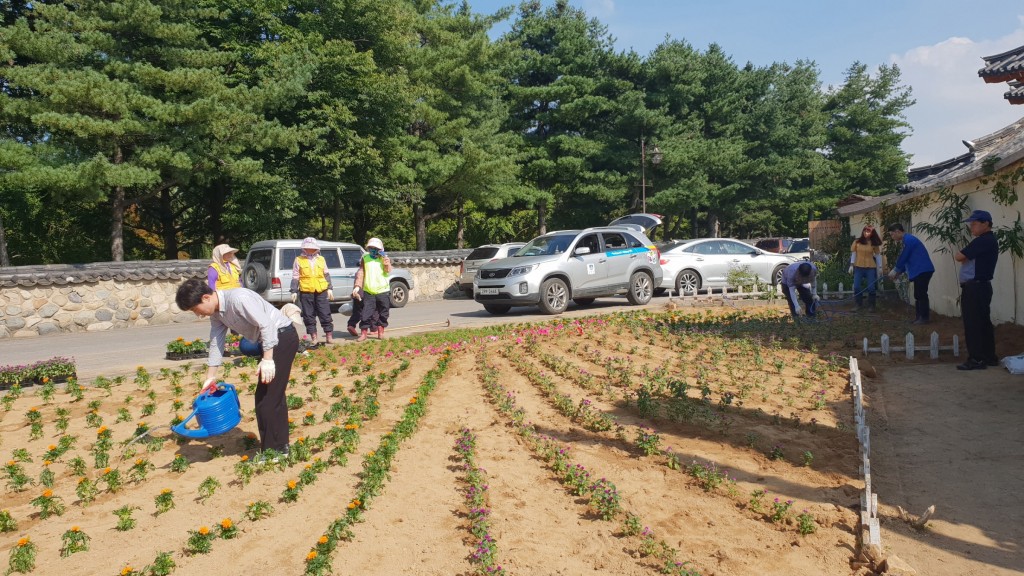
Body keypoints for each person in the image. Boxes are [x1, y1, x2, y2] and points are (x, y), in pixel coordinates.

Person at [175, 279, 298, 455]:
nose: (198, 314)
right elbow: (217, 343)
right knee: (271, 396)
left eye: (196, 309)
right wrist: (210, 377)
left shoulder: (239, 299)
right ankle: (280, 447)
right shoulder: (217, 313)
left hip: (282, 337)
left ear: (206, 297)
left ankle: (274, 451)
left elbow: (267, 324)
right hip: (270, 342)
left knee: (267, 400)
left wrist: (268, 359)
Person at [953, 210, 999, 370]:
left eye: (974, 224)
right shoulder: (989, 240)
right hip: (982, 286)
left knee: (973, 323)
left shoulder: (982, 241)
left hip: (975, 287)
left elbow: (959, 256)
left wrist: (964, 255)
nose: (971, 227)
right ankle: (988, 356)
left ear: (985, 224)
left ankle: (977, 359)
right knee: (983, 322)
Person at [887, 223, 936, 324]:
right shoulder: (908, 240)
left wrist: (896, 269)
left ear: (897, 231)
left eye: (892, 234)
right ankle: (919, 318)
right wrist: (898, 272)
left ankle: (924, 317)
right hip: (921, 270)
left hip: (922, 270)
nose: (892, 237)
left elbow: (904, 256)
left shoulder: (909, 240)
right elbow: (908, 260)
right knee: (918, 294)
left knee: (920, 294)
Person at [290, 237, 334, 345]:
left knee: (325, 313)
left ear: (316, 249)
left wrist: (330, 288)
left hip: (321, 290)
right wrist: (294, 291)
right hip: (306, 291)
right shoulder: (298, 259)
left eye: (312, 248)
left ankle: (329, 335)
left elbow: (326, 274)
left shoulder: (321, 259)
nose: (310, 250)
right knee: (308, 315)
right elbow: (295, 276)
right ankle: (314, 337)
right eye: (307, 248)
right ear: (304, 249)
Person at [352, 237, 392, 341]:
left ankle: (380, 331)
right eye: (371, 248)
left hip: (383, 290)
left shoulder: (383, 258)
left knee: (384, 312)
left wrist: (387, 263)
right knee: (366, 313)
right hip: (369, 290)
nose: (373, 250)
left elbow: (388, 271)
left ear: (380, 249)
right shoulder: (365, 258)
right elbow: (361, 272)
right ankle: (363, 333)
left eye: (376, 248)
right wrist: (357, 286)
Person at [848, 225, 883, 311]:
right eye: (864, 231)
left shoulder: (874, 243)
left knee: (871, 287)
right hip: (858, 267)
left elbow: (878, 256)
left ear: (872, 233)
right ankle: (858, 304)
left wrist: (880, 267)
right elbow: (854, 253)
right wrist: (851, 265)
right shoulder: (857, 242)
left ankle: (871, 306)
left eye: (868, 231)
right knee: (856, 287)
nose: (866, 233)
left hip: (870, 267)